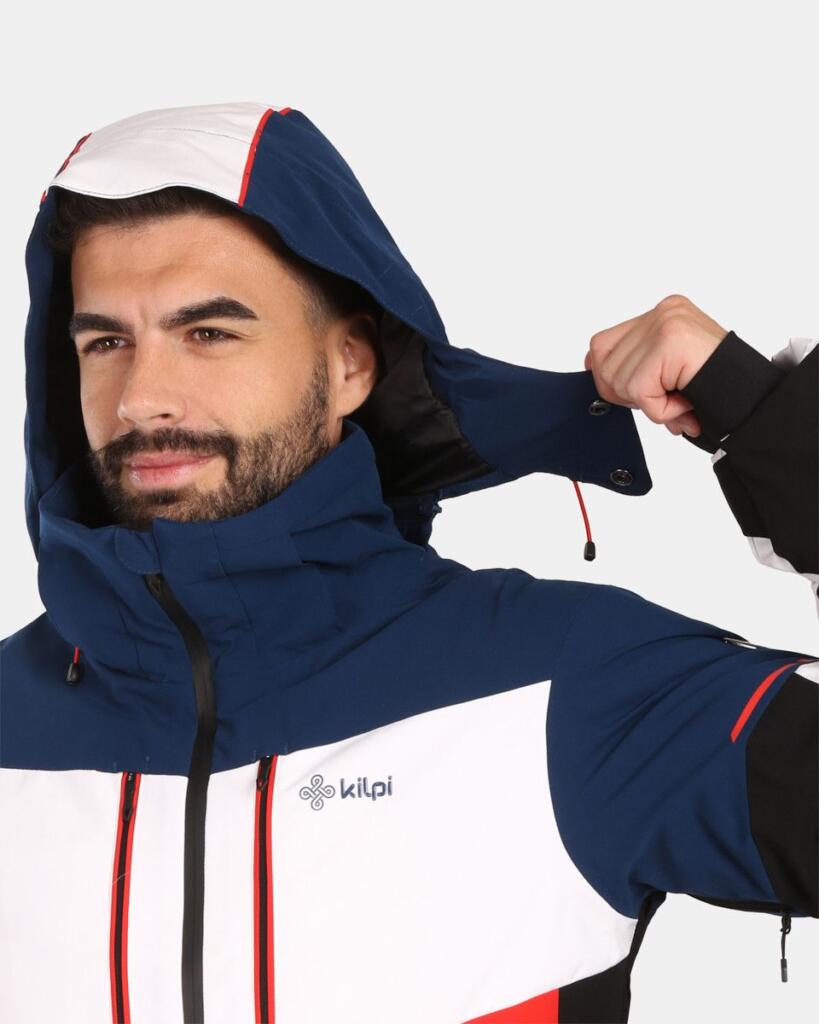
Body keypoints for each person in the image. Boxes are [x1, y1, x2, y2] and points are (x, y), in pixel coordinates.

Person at [0, 101, 815, 1024]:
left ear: (351, 365)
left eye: (209, 333)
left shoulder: (569, 685)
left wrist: (770, 419)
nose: (141, 397)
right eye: (106, 342)